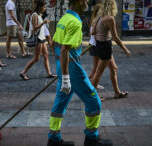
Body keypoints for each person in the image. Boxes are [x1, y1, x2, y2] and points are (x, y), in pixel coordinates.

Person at [47, 0, 113, 146]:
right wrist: (66, 78)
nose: (87, 2)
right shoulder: (75, 23)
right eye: (85, 0)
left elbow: (53, 44)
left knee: (60, 102)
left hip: (63, 66)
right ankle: (91, 138)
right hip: (73, 70)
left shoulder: (64, 19)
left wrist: (60, 69)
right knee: (94, 103)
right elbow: (64, 50)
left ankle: (53, 139)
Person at [91, 0, 131, 100]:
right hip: (105, 47)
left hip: (100, 45)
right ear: (112, 6)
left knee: (114, 68)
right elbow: (116, 37)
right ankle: (91, 97)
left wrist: (101, 35)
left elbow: (93, 32)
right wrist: (125, 49)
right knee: (98, 73)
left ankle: (117, 93)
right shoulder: (109, 18)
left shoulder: (99, 17)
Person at [20, 0, 56, 80]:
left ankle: (49, 73)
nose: (45, 8)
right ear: (40, 7)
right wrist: (43, 22)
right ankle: (23, 72)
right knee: (36, 58)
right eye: (44, 7)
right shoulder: (35, 15)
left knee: (46, 55)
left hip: (42, 38)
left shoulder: (40, 15)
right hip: (39, 39)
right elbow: (34, 28)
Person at [88, 4, 104, 90]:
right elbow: (95, 34)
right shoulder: (97, 20)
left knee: (96, 65)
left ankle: (91, 78)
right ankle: (94, 83)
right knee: (97, 66)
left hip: (92, 44)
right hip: (95, 45)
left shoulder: (93, 19)